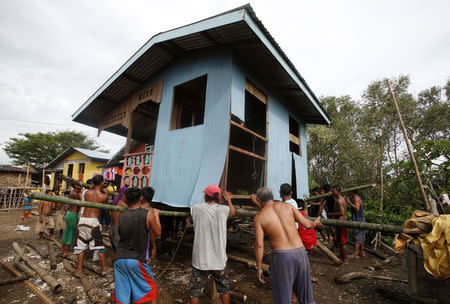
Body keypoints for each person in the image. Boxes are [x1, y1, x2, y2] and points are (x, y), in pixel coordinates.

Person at [253, 187, 321, 304]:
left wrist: (258, 267)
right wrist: (315, 223)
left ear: (259, 200)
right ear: (273, 197)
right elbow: (306, 224)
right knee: (307, 298)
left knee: (283, 298)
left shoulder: (259, 217)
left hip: (281, 258)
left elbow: (259, 245)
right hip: (300, 253)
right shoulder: (288, 206)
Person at [113, 187, 162, 304]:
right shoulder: (148, 214)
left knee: (123, 294)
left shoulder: (122, 216)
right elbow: (158, 232)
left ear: (126, 199)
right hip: (135, 259)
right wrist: (156, 215)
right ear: (141, 198)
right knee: (151, 288)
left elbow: (122, 235)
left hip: (119, 259)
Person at [189, 185, 235, 304]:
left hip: (200, 260)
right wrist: (229, 200)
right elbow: (232, 212)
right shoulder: (224, 209)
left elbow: (190, 220)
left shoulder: (196, 208)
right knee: (224, 289)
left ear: (205, 196)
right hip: (219, 260)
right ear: (218, 197)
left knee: (194, 290)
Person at [74, 175, 110, 277]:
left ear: (92, 183)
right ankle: (103, 269)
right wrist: (106, 193)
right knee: (99, 247)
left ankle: (79, 270)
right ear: (102, 183)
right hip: (93, 222)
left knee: (80, 246)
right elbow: (106, 206)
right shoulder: (103, 196)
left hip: (82, 220)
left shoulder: (86, 192)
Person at [327, 185, 348, 264]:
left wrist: (331, 214)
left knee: (343, 242)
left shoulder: (340, 200)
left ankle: (345, 259)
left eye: (334, 191)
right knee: (339, 240)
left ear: (338, 191)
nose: (332, 192)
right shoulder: (340, 199)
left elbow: (342, 213)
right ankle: (342, 255)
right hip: (339, 222)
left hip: (341, 222)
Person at [60, 184, 82, 256]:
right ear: (75, 186)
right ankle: (66, 251)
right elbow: (81, 201)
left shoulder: (72, 193)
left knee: (67, 231)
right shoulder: (75, 194)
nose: (81, 186)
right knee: (71, 232)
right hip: (73, 214)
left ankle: (62, 249)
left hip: (70, 213)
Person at [110, 188, 128, 264]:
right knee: (121, 251)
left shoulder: (116, 202)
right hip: (118, 231)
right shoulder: (122, 204)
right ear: (124, 195)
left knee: (115, 250)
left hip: (113, 228)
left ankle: (112, 265)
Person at [347, 189, 366, 258]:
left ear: (352, 191)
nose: (347, 192)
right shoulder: (357, 197)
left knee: (357, 237)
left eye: (348, 191)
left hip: (358, 221)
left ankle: (356, 253)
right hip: (361, 220)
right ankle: (362, 252)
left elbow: (357, 208)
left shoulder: (355, 198)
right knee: (361, 237)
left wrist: (349, 203)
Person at [141, 187, 157, 261]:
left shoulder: (134, 209)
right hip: (147, 233)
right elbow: (158, 231)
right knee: (153, 243)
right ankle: (151, 258)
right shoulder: (151, 212)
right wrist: (157, 215)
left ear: (142, 197)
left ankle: (151, 258)